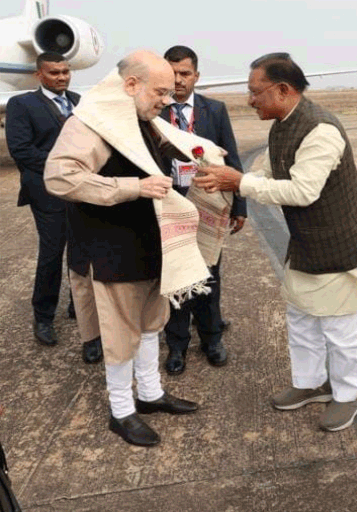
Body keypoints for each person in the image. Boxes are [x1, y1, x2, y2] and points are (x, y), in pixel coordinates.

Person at [194, 53, 357, 432]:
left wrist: (239, 183)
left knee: (341, 331)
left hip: (341, 247)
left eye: (255, 92)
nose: (250, 100)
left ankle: (349, 394)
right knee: (302, 320)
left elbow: (303, 191)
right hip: (307, 245)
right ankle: (310, 383)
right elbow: (270, 170)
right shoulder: (282, 125)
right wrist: (230, 175)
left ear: (283, 90)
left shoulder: (321, 131)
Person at [43, 50, 233, 447]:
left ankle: (149, 394)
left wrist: (208, 156)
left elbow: (174, 143)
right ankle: (121, 411)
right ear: (131, 85)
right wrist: (133, 187)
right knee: (120, 335)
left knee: (150, 326)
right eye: (160, 92)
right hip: (110, 251)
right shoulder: (91, 122)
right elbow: (59, 177)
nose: (167, 100)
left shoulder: (139, 118)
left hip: (147, 245)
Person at [4, 53, 100, 361]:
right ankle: (43, 316)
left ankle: (77, 305)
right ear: (39, 75)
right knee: (52, 253)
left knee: (82, 251)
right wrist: (66, 166)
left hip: (81, 191)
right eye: (55, 72)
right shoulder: (22, 105)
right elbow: (21, 150)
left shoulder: (78, 101)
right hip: (47, 193)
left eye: (65, 71)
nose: (62, 77)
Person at [159, 45, 246, 374]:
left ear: (197, 76)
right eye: (172, 74)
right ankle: (177, 344)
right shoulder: (154, 112)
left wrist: (240, 205)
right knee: (177, 277)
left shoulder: (215, 110)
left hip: (209, 204)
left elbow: (231, 157)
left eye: (185, 73)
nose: (178, 80)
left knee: (209, 276)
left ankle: (212, 339)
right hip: (171, 206)